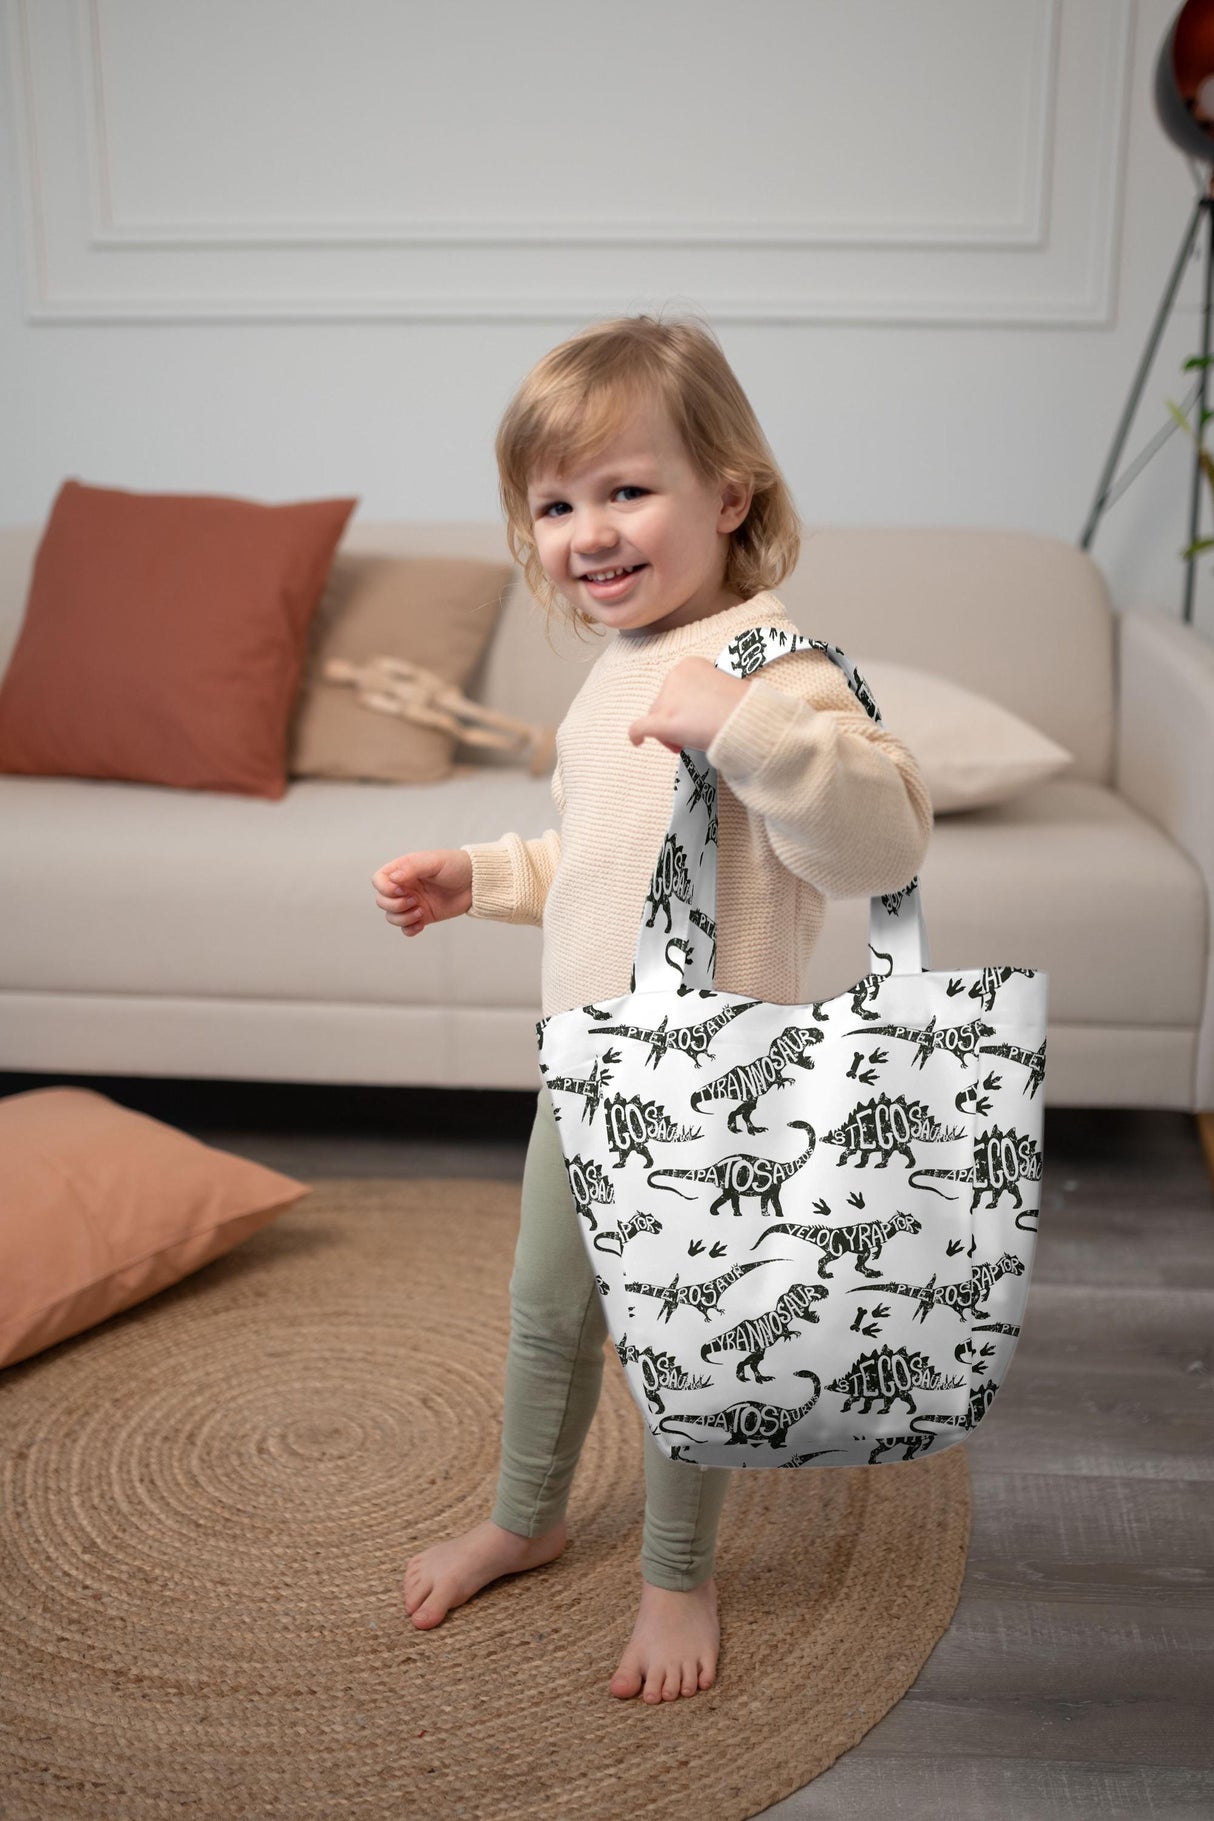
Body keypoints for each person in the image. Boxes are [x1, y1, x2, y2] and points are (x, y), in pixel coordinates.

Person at [370, 312, 933, 1704]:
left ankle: (677, 1573)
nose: (586, 531)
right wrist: (481, 875)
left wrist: (738, 722)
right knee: (545, 1308)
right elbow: (605, 867)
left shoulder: (771, 668)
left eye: (624, 489)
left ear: (726, 496)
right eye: (554, 504)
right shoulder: (607, 682)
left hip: (717, 1083)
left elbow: (882, 843)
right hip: (588, 1069)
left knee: (692, 1333)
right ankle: (526, 1510)